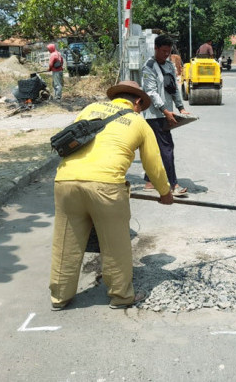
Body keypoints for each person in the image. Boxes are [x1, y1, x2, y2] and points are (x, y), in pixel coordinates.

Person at [50, 81, 174, 311]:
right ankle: (121, 296)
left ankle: (59, 297)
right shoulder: (138, 122)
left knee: (65, 242)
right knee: (115, 244)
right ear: (137, 102)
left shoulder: (90, 109)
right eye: (141, 106)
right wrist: (165, 192)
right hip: (106, 187)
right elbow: (154, 165)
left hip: (65, 181)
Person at [141, 35, 190, 197]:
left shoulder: (169, 65)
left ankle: (149, 180)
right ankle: (173, 184)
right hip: (154, 115)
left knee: (154, 148)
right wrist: (165, 111)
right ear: (155, 48)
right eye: (163, 51)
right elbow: (151, 92)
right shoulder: (148, 67)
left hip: (166, 113)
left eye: (168, 52)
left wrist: (181, 108)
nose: (166, 55)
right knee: (167, 148)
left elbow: (174, 88)